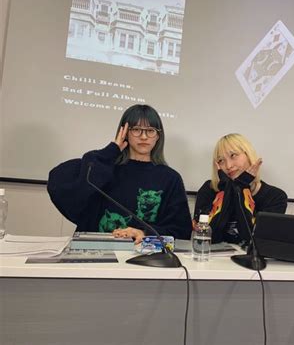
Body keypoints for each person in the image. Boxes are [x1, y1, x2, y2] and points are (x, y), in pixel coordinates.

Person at [47, 104, 192, 244]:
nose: (143, 136)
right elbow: (58, 182)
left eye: (150, 130)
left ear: (158, 136)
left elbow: (181, 231)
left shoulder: (170, 178)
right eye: (136, 129)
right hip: (96, 252)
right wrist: (112, 151)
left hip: (144, 258)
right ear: (124, 133)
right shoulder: (104, 167)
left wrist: (144, 233)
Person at [194, 133, 288, 245]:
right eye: (221, 161)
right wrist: (225, 190)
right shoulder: (208, 190)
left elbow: (253, 242)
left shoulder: (275, 197)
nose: (228, 166)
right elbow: (207, 239)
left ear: (248, 155)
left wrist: (242, 187)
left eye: (233, 155)